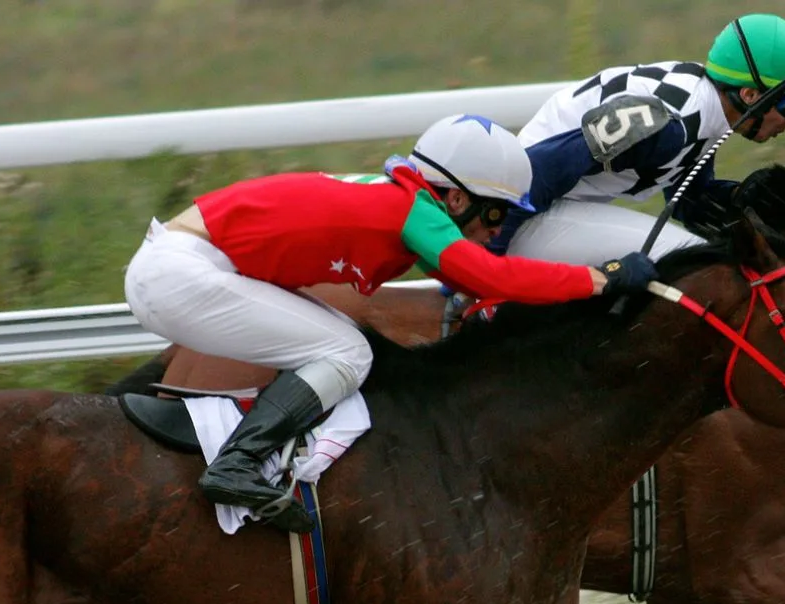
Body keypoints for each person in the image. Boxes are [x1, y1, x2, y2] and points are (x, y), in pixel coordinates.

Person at [124, 114, 657, 532]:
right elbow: (489, 275)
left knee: (341, 343)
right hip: (181, 274)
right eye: (495, 215)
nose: (496, 231)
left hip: (181, 266)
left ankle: (258, 457)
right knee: (348, 353)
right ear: (455, 197)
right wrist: (599, 279)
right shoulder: (413, 210)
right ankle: (237, 466)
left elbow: (473, 283)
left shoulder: (400, 198)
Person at [493, 13, 785, 265]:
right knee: (687, 260)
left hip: (541, 203)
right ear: (750, 94)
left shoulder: (704, 111)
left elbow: (687, 203)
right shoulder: (669, 124)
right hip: (516, 211)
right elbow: (537, 172)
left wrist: (743, 196)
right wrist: (484, 266)